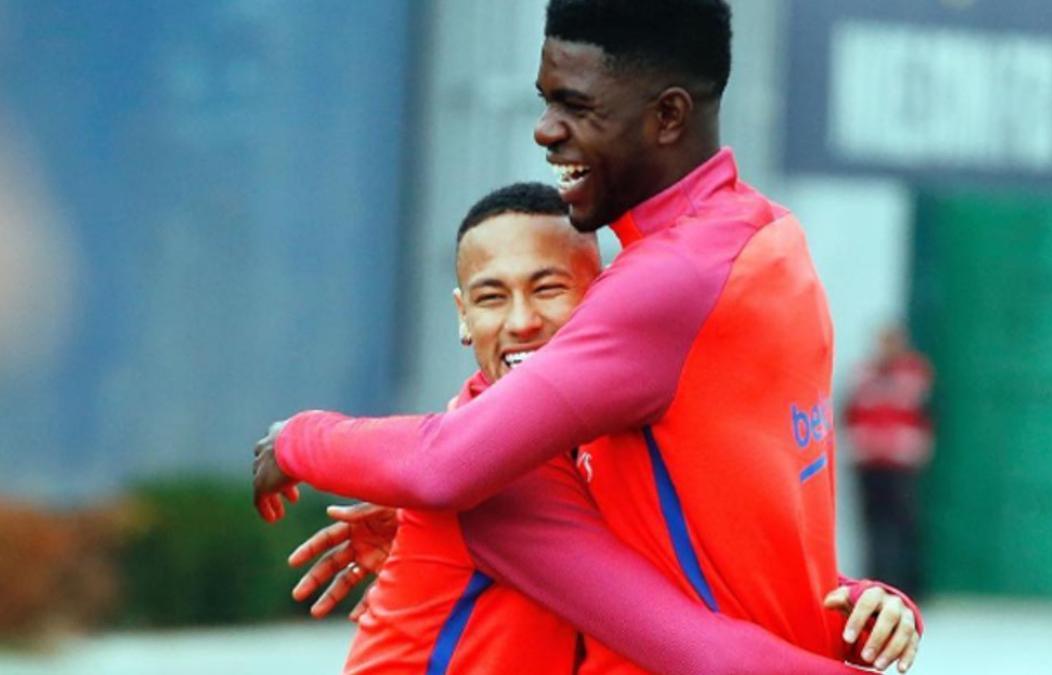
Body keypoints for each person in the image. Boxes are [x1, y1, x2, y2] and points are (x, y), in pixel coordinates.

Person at [254, 1, 922, 671]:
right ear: (461, 315)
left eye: (577, 106)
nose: (545, 131)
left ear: (667, 116)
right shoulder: (772, 242)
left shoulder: (662, 287)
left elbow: (444, 464)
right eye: (491, 296)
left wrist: (298, 439)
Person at [283, 182, 916, 674]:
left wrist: (864, 607)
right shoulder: (491, 475)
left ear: (600, 299)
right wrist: (295, 439)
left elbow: (707, 583)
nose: (522, 320)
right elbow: (696, 649)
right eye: (492, 297)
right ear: (462, 316)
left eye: (548, 288)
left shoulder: (607, 443)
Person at [844, 325, 935, 600]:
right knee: (873, 527)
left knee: (903, 526)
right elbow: (849, 411)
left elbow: (928, 412)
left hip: (901, 463)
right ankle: (874, 586)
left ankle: (908, 587)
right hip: (869, 461)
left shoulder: (915, 374)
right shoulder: (863, 373)